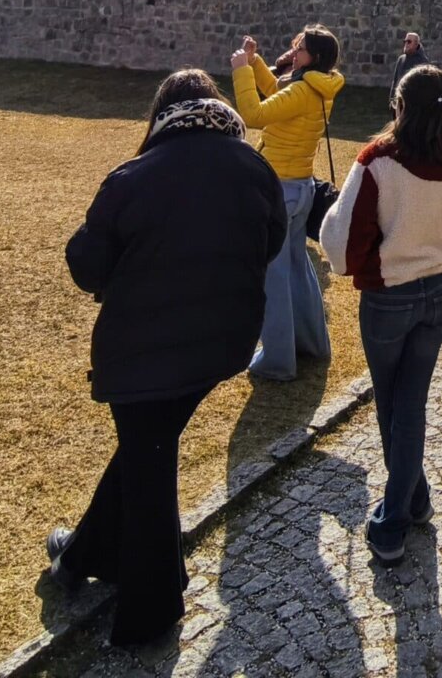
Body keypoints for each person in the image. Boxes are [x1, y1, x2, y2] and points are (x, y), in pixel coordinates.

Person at [49, 71, 285, 646]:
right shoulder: (252, 166)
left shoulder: (134, 176)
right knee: (148, 446)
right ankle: (85, 552)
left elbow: (86, 265)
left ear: (162, 114)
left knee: (150, 461)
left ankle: (150, 612)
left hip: (147, 349)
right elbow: (273, 239)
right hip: (221, 339)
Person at [321, 66, 442, 563]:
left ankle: (393, 520)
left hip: (390, 296)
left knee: (396, 405)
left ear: (399, 104)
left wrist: (368, 263)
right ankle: (414, 498)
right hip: (437, 294)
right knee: (407, 402)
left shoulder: (378, 160)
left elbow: (338, 237)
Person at [230, 27, 344, 380]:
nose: (294, 53)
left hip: (280, 189)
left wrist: (239, 69)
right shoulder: (317, 87)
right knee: (296, 267)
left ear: (316, 58)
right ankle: (311, 344)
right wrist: (256, 62)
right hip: (300, 187)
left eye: (301, 49)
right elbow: (277, 94)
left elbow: (253, 114)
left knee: (273, 276)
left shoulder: (303, 90)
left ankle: (278, 361)